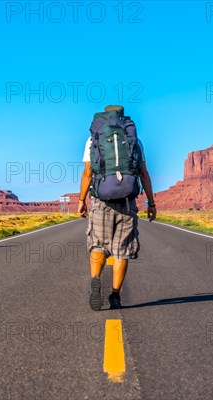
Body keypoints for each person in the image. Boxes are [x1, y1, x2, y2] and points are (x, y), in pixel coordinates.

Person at [78, 105, 156, 311]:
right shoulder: (135, 140)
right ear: (122, 116)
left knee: (97, 244)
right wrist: (151, 202)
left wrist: (81, 200)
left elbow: (88, 173)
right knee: (122, 250)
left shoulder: (93, 139)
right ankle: (115, 296)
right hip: (127, 202)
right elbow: (143, 173)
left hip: (101, 200)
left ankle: (96, 279)